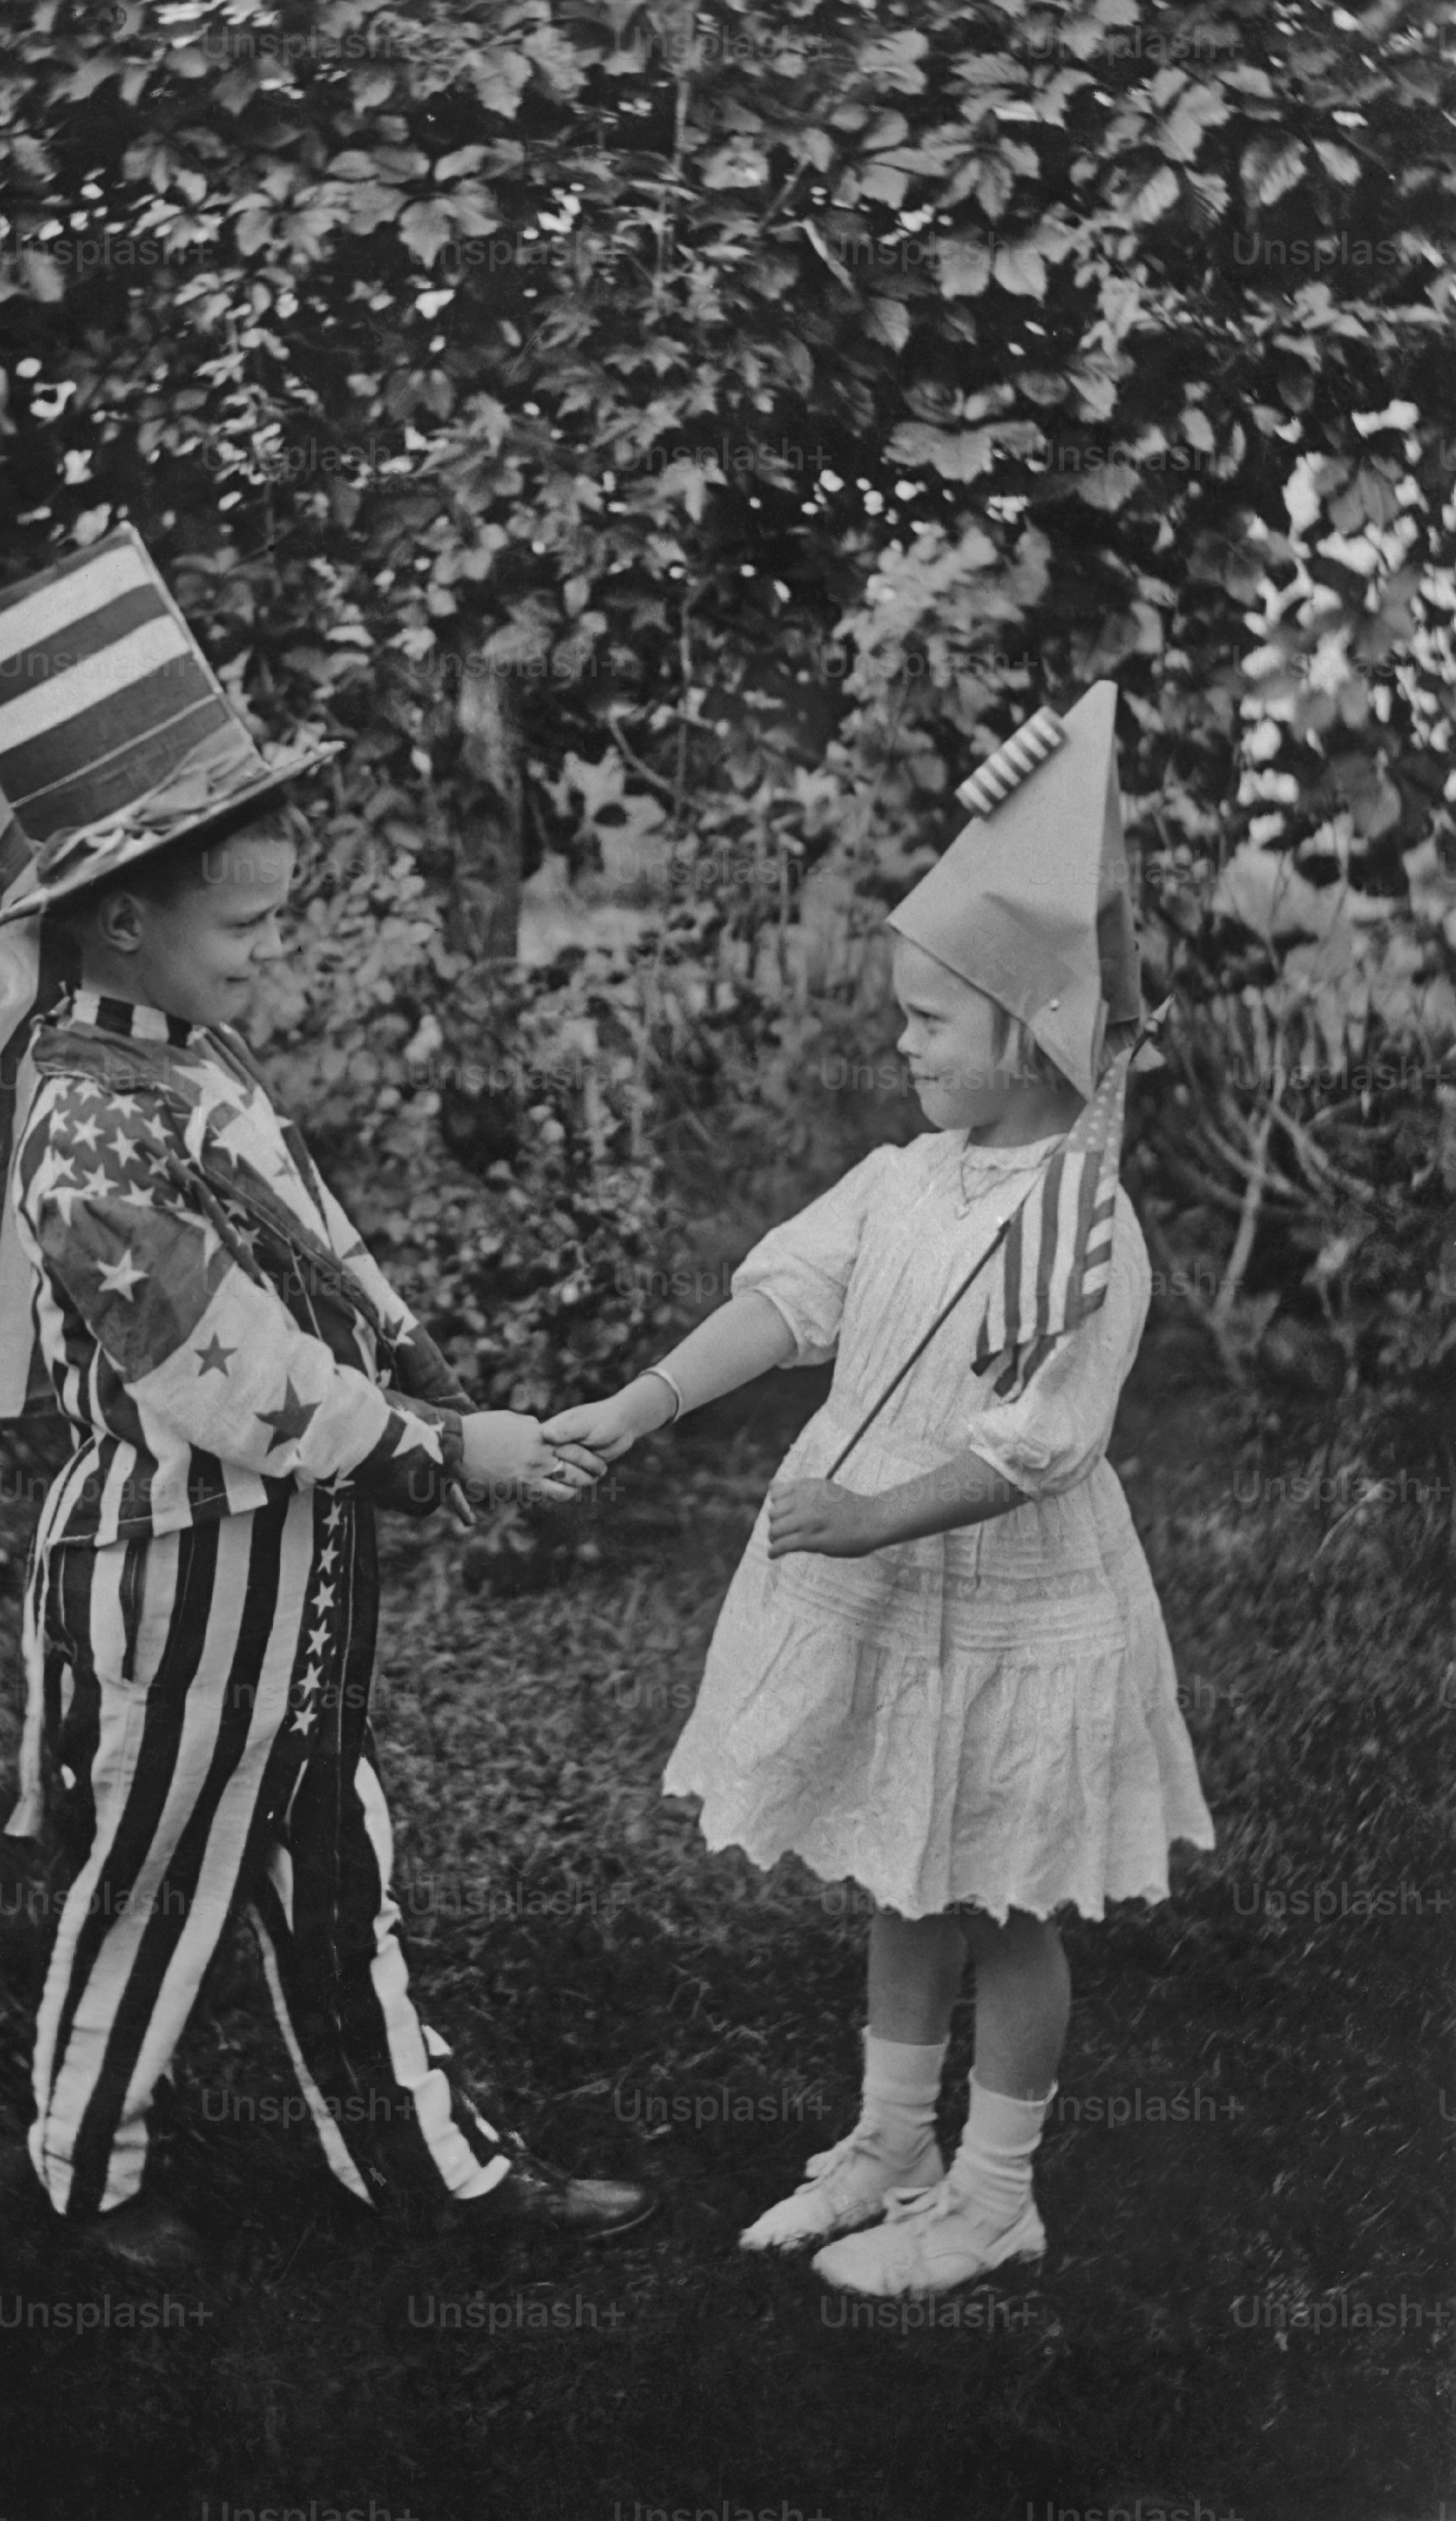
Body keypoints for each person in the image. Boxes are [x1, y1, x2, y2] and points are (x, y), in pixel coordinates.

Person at [0, 531, 657, 2268]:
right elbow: (232, 1379)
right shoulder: (92, 1126)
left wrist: (423, 1384)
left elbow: (312, 1260)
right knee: (150, 1884)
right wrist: (437, 1447)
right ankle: (84, 2169)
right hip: (182, 1577)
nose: (273, 954)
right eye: (246, 924)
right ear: (128, 915)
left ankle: (431, 2172)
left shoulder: (183, 1058)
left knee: (333, 1868)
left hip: (293, 1583)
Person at [546, 684, 1213, 2297]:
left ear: (1032, 1032)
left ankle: (996, 2190)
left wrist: (867, 1514)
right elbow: (791, 1301)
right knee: (908, 1864)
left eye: (931, 1020)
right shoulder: (902, 1179)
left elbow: (1039, 1440)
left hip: (1007, 1597)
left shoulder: (1084, 1226)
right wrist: (640, 1405)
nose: (901, 1043)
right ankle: (892, 2139)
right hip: (892, 1593)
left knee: (1000, 1890)